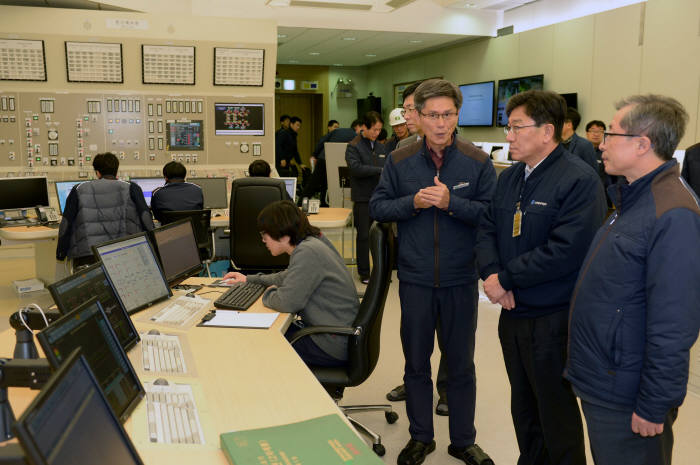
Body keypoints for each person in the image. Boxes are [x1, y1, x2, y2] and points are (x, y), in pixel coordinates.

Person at [565, 94, 700, 465]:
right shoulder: (632, 199)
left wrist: (654, 404)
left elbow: (675, 324)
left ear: (643, 144)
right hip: (607, 380)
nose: (602, 144)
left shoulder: (672, 213)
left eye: (611, 134)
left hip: (627, 393)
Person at [475, 90, 606, 465]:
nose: (509, 136)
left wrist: (508, 279)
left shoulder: (578, 180)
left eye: (517, 127)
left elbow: (566, 251)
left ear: (547, 131)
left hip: (553, 319)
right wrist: (492, 275)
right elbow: (486, 228)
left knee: (555, 411)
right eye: (508, 127)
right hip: (513, 314)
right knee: (524, 405)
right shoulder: (512, 177)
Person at [371, 79, 496, 465]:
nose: (441, 123)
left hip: (460, 280)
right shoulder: (399, 159)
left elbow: (491, 216)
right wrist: (413, 202)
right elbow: (378, 208)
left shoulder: (477, 161)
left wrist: (451, 202)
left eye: (448, 114)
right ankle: (421, 438)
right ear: (418, 117)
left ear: (457, 116)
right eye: (432, 115)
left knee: (461, 365)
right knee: (416, 365)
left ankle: (463, 440)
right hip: (416, 279)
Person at [221, 200, 360, 367]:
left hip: (329, 343)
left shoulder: (307, 252)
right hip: (335, 333)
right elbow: (289, 276)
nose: (263, 239)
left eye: (265, 234)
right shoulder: (314, 241)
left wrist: (268, 293)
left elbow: (286, 302)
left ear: (284, 235)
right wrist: (250, 279)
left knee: (257, 345)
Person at [385, 80, 449, 418]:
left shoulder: (465, 155)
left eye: (411, 109)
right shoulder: (401, 153)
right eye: (408, 109)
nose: (407, 115)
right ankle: (413, 382)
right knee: (413, 331)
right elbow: (384, 204)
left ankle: (447, 390)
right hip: (412, 258)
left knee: (451, 336)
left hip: (451, 265)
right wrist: (412, 202)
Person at [56, 152, 154, 266]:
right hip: (126, 253)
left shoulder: (79, 189)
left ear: (97, 172)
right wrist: (154, 246)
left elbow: (65, 224)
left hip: (88, 256)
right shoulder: (132, 188)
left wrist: (61, 253)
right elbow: (146, 217)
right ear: (116, 170)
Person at [345, 111, 387, 284]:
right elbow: (355, 169)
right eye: (375, 130)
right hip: (363, 198)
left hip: (381, 197)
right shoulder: (353, 146)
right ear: (364, 127)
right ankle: (364, 273)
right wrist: (379, 171)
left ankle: (381, 270)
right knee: (363, 236)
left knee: (382, 236)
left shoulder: (381, 147)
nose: (377, 133)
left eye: (379, 130)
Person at [301, 119, 340, 205]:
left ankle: (323, 202)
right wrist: (314, 156)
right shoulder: (327, 136)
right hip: (323, 161)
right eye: (335, 127)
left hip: (330, 162)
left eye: (338, 127)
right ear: (329, 127)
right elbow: (319, 146)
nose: (337, 129)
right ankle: (302, 202)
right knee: (317, 183)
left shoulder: (335, 137)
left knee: (325, 184)